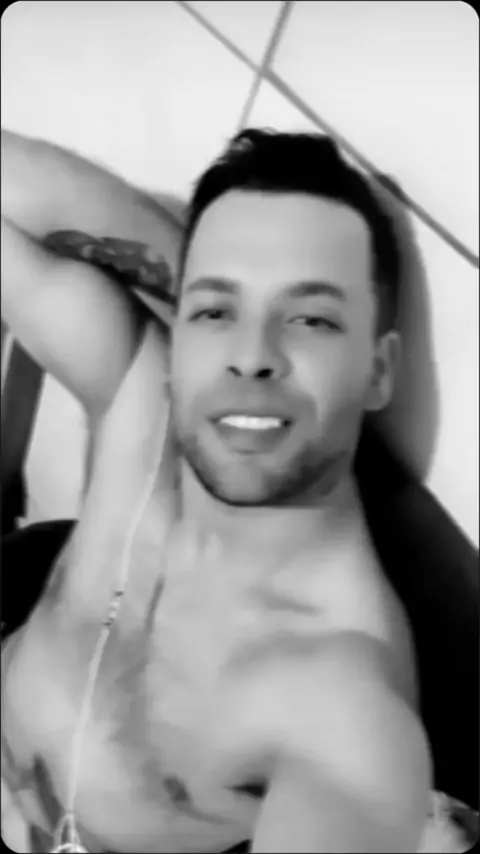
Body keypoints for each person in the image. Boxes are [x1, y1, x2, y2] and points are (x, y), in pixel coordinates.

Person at [0, 128, 474, 854]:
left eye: (311, 319)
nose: (252, 358)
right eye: (217, 313)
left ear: (378, 371)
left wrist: (216, 300)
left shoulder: (338, 702)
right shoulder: (143, 401)